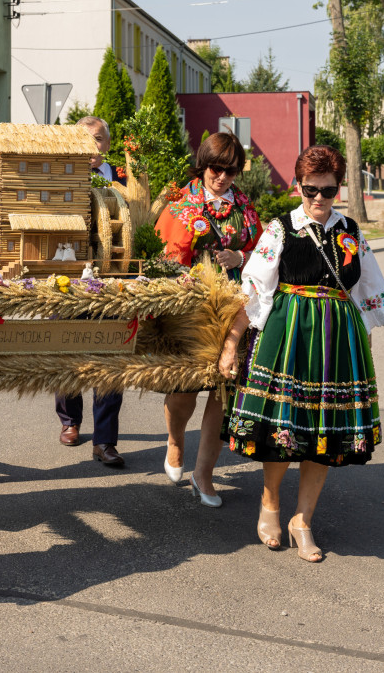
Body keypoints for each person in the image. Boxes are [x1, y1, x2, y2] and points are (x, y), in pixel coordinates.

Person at [218, 144, 384, 560]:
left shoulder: (350, 231)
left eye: (326, 191)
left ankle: (303, 520)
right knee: (284, 427)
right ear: (298, 186)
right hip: (289, 335)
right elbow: (255, 290)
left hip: (337, 342)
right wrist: (232, 343)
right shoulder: (280, 229)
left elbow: (371, 291)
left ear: (338, 189)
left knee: (324, 436)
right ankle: (271, 503)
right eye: (310, 190)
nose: (317, 199)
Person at [154, 131, 263, 505]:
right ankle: (175, 439)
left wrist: (242, 259)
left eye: (230, 171)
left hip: (235, 311)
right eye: (216, 168)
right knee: (184, 390)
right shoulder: (182, 204)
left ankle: (204, 475)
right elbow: (165, 258)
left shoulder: (245, 207)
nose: (222, 177)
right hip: (192, 309)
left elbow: (265, 256)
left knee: (223, 391)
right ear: (203, 164)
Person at [55, 116, 126, 467]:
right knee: (67, 348)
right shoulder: (62, 173)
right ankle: (70, 420)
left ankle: (105, 440)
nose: (93, 147)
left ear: (107, 143)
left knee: (111, 354)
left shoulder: (122, 178)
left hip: (110, 274)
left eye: (98, 139)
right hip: (68, 272)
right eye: (85, 140)